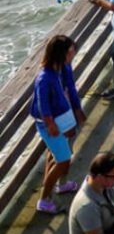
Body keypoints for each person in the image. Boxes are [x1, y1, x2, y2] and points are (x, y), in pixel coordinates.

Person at [31, 34, 85, 214]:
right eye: (70, 52)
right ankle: (44, 200)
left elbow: (71, 86)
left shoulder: (63, 67)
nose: (73, 54)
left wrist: (77, 109)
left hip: (63, 116)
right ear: (60, 54)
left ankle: (60, 185)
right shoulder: (44, 78)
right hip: (50, 123)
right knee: (63, 160)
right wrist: (50, 124)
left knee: (55, 154)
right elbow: (42, 104)